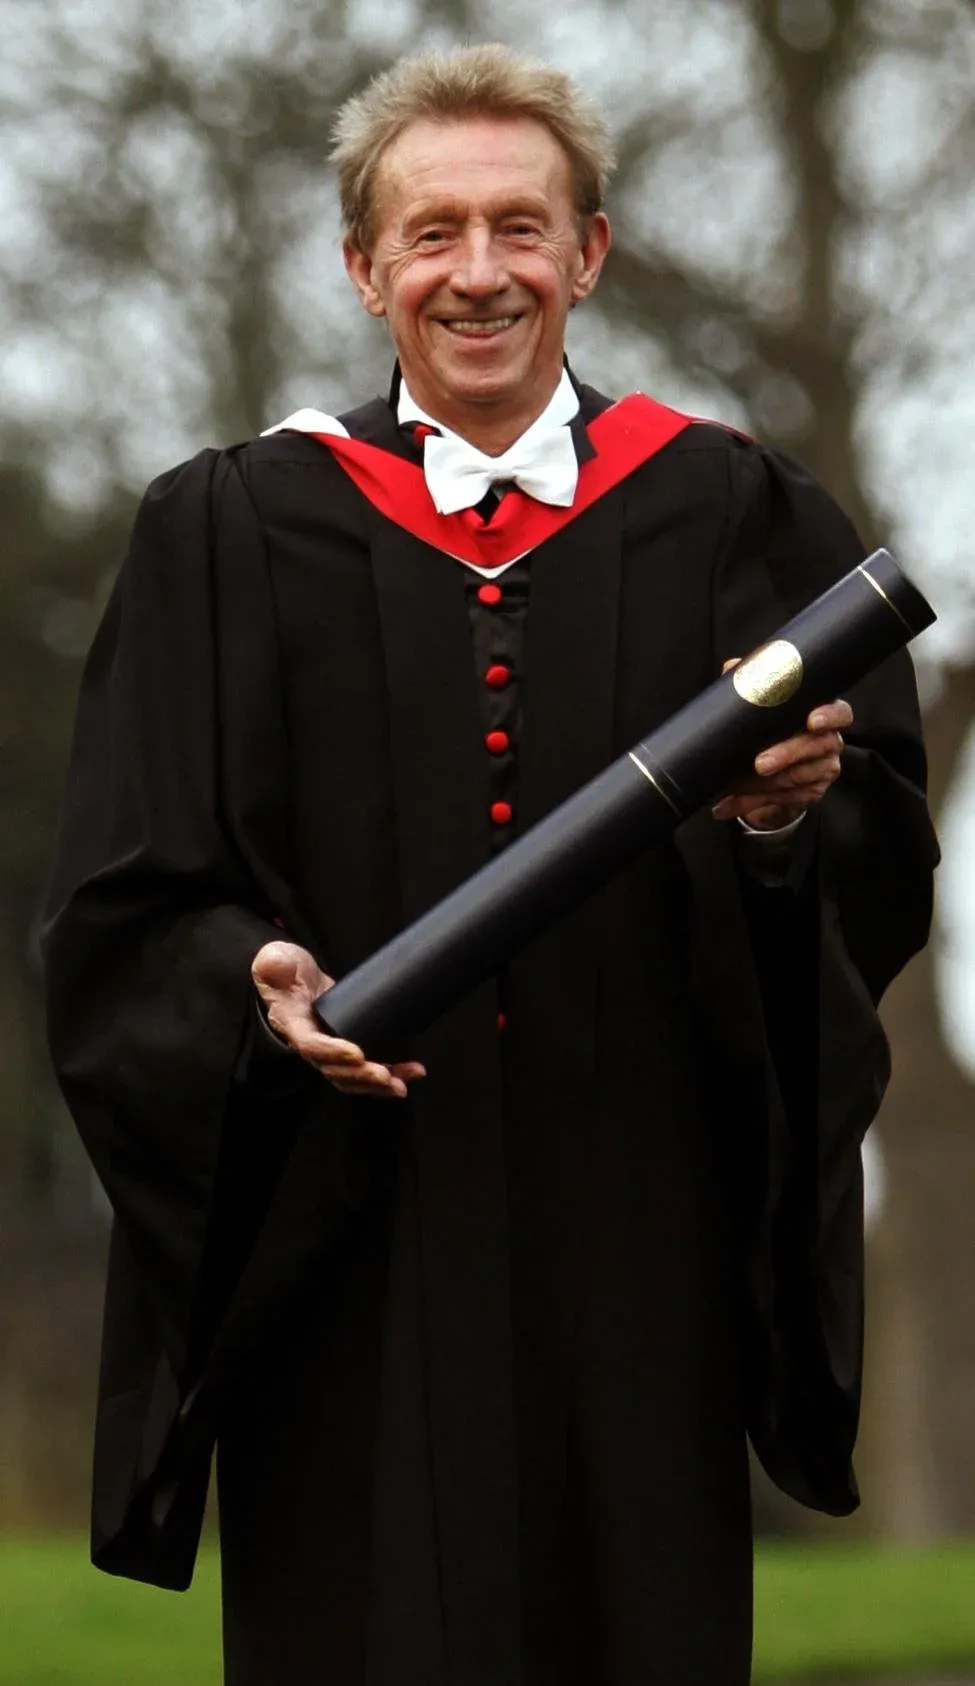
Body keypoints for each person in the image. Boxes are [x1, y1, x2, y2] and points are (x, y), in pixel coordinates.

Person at [42, 42, 938, 1686]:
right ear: (362, 266)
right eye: (432, 232)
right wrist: (247, 979)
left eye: (519, 228)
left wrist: (780, 820)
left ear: (586, 254)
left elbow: (873, 863)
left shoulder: (731, 511)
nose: (478, 273)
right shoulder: (228, 534)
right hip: (355, 1262)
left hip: (638, 1246)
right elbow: (123, 904)